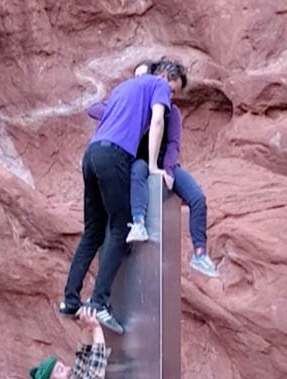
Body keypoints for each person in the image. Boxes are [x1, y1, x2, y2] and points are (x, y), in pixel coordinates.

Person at [61, 59, 187, 334]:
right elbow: (157, 122)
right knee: (121, 227)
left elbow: (97, 111)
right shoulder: (158, 85)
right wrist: (153, 165)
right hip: (115, 157)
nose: (171, 95)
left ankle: (70, 300)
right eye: (174, 89)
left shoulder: (123, 88)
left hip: (92, 155)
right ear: (166, 76)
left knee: (93, 232)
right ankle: (99, 303)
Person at [91, 60, 219, 278]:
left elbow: (173, 144)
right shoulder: (137, 103)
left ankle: (200, 253)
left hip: (162, 164)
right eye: (170, 90)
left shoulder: (172, 112)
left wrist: (168, 170)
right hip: (138, 162)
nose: (170, 96)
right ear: (160, 79)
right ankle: (139, 223)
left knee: (197, 198)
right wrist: (129, 101)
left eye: (173, 93)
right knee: (138, 171)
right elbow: (94, 109)